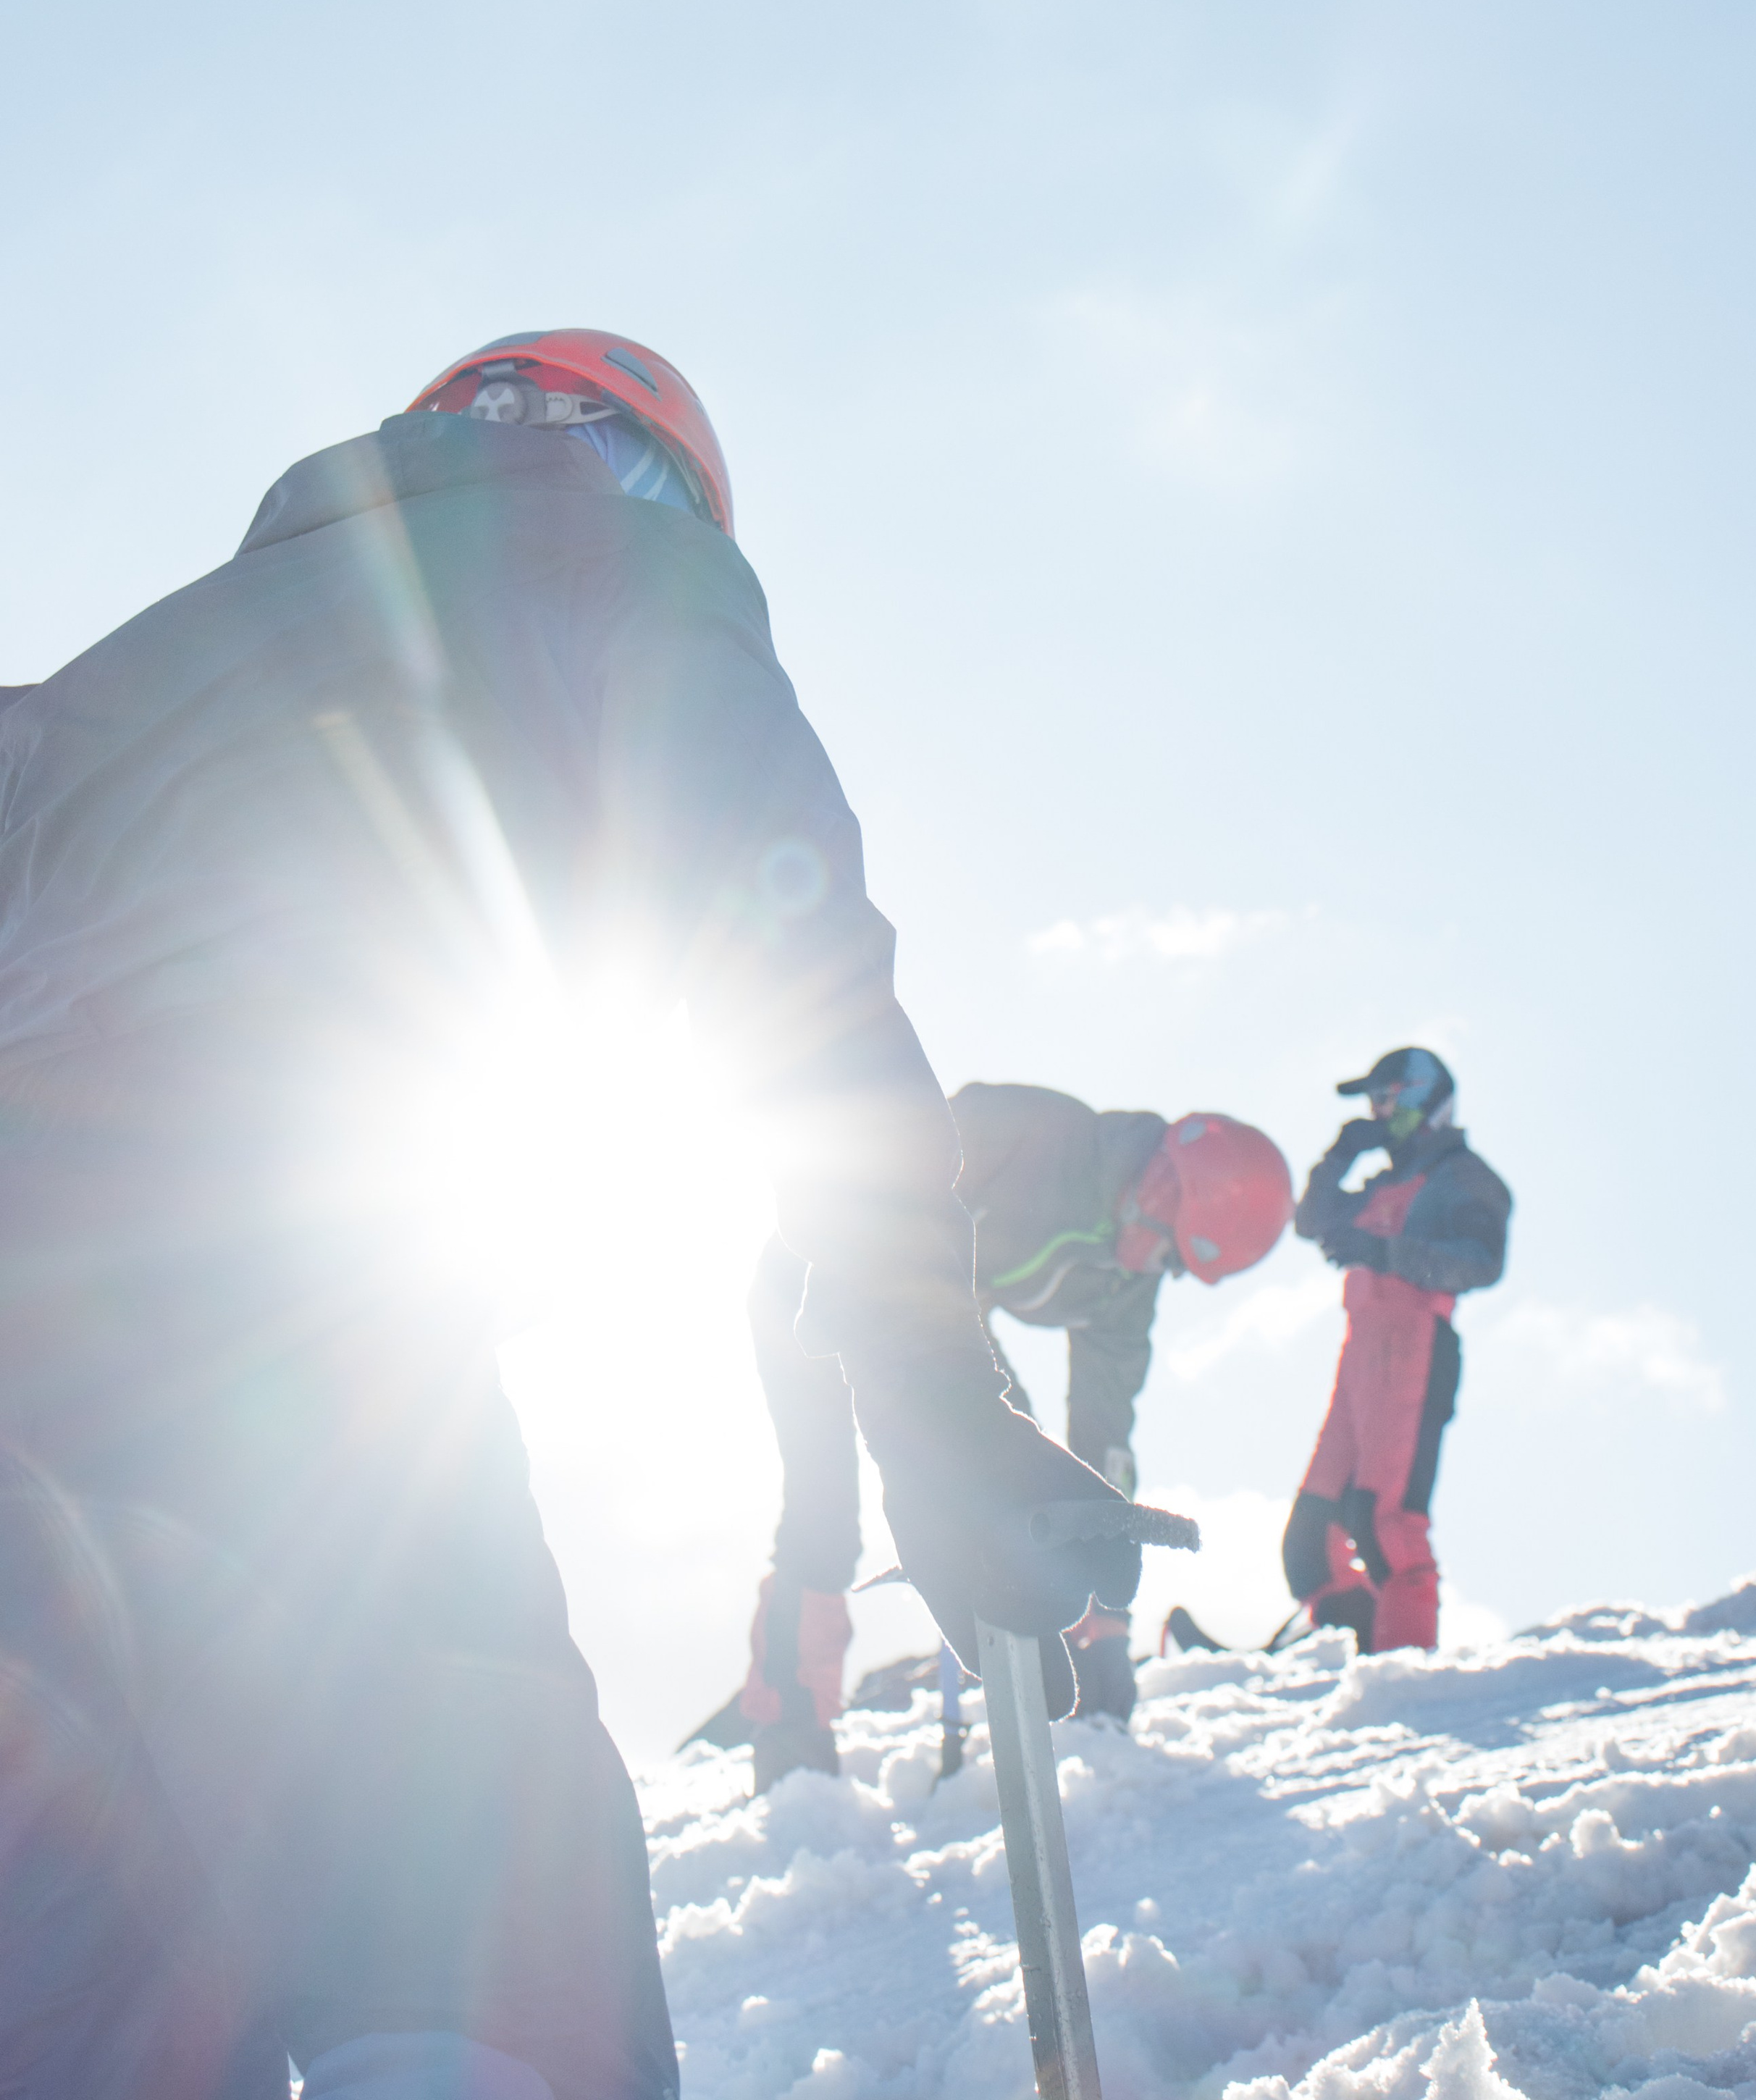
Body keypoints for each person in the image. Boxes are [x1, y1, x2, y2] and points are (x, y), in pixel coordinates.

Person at [0, 329, 1138, 2100]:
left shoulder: (92, 689)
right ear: (640, 477)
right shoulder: (623, 578)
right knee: (486, 1927)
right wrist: (931, 1395)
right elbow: (801, 989)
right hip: (311, 1368)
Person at [726, 1082, 1291, 1776]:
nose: (1161, 1272)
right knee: (826, 1509)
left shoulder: (1123, 1286)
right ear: (1167, 1189)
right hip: (820, 1286)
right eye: (1172, 1253)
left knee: (1011, 1464)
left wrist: (1106, 1626)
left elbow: (1103, 1430)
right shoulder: (1035, 1135)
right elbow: (896, 1178)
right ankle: (791, 1724)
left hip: (941, 1333)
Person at [1282, 1046, 1511, 1654]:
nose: (1378, 1112)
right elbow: (1310, 1221)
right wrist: (1339, 1157)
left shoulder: (1461, 1176)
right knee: (1311, 1541)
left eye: (1386, 1099)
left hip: (1415, 1348)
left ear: (1419, 1099)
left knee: (1384, 1524)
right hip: (1362, 1353)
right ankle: (1350, 1653)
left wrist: (1384, 1254)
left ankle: (1405, 1670)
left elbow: (1482, 1262)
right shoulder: (1385, 1182)